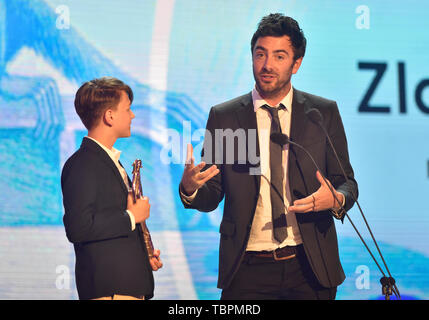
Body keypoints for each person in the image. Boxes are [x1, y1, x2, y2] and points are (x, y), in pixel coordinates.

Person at [179, 13, 358, 300]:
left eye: (279, 56)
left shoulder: (321, 113)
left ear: (296, 63)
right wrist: (191, 188)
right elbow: (212, 194)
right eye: (260, 54)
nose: (267, 65)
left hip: (310, 267)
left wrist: (336, 200)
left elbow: (346, 182)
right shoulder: (225, 117)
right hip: (247, 268)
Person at [61, 77, 163, 300]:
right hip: (109, 292)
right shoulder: (83, 163)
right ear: (109, 116)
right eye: (128, 109)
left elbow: (111, 228)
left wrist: (142, 256)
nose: (133, 115)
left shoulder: (110, 161)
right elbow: (78, 227)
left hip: (126, 290)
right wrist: (131, 216)